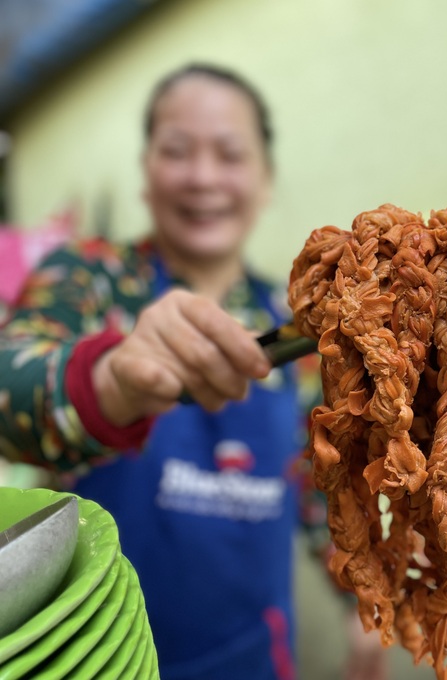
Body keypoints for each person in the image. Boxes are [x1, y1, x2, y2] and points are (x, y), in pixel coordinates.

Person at [0, 64, 386, 680]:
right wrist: (115, 380)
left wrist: (360, 600)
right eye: (177, 151)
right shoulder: (90, 278)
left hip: (252, 658)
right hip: (93, 658)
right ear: (147, 175)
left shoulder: (297, 331)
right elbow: (8, 391)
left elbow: (320, 488)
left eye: (230, 154)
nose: (203, 177)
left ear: (265, 180)